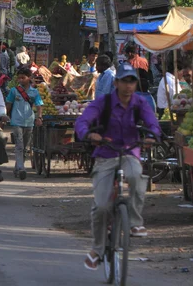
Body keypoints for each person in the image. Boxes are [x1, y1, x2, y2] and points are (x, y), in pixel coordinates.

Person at [75, 63, 161, 271]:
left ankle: (134, 222)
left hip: (130, 152)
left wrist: (151, 136)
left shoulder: (140, 103)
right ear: (116, 83)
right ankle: (97, 249)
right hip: (105, 155)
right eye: (124, 81)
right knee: (101, 207)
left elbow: (153, 123)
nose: (128, 85)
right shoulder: (103, 103)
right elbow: (82, 121)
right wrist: (89, 133)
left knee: (136, 176)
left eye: (132, 81)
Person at [5, 66, 43, 180]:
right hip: (16, 121)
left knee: (25, 147)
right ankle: (22, 168)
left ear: (29, 78)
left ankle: (18, 167)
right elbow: (9, 104)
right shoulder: (14, 91)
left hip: (29, 122)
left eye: (23, 78)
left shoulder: (34, 92)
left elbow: (39, 105)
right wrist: (5, 116)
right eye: (19, 78)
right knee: (19, 145)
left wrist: (39, 117)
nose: (21, 80)